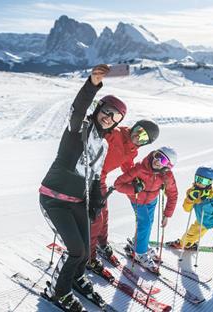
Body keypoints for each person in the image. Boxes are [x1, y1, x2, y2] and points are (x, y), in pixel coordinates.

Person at [38, 64, 127, 310]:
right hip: (54, 198)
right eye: (108, 111)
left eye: (116, 117)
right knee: (75, 251)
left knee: (86, 251)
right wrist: (92, 84)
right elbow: (78, 109)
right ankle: (59, 292)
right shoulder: (80, 127)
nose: (110, 118)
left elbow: (96, 176)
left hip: (78, 201)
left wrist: (97, 200)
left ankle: (76, 278)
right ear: (99, 109)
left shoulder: (103, 145)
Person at [87, 119, 160, 272]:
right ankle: (89, 256)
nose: (137, 137)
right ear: (134, 127)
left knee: (104, 214)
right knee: (95, 219)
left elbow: (128, 166)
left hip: (100, 179)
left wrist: (140, 181)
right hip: (87, 176)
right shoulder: (116, 134)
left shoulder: (133, 150)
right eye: (138, 131)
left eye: (143, 138)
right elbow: (94, 140)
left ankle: (102, 244)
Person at [167, 167, 213, 281]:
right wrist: (190, 198)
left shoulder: (211, 193)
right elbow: (186, 209)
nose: (200, 183)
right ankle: (186, 244)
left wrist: (205, 199)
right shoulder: (191, 192)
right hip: (202, 221)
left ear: (210, 183)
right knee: (189, 236)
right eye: (198, 179)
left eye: (204, 181)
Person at [113, 147, 178, 273]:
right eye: (157, 155)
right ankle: (140, 253)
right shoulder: (139, 168)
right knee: (145, 224)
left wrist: (167, 214)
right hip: (137, 200)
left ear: (168, 166)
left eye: (163, 160)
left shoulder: (166, 175)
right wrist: (134, 188)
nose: (157, 160)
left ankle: (139, 243)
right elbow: (118, 184)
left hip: (152, 200)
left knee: (149, 223)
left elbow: (173, 194)